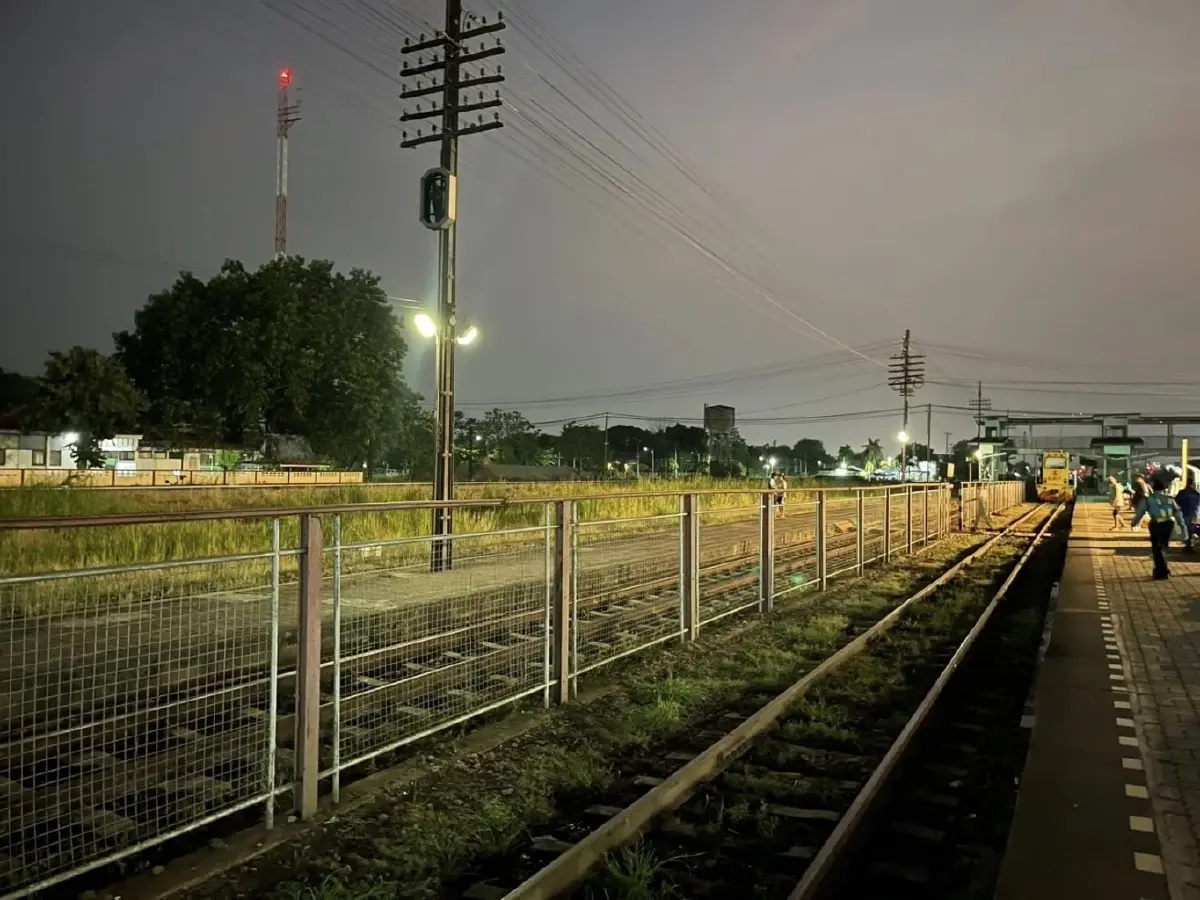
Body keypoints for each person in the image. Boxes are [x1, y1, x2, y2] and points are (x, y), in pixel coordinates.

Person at [1131, 478, 1188, 580]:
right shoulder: (1170, 499)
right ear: (1163, 489)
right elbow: (1179, 514)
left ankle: (1161, 572)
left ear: (1154, 488)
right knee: (1164, 547)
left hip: (1156, 524)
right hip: (1169, 524)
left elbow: (1140, 512)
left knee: (1157, 548)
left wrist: (1134, 523)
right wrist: (1184, 529)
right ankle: (1163, 569)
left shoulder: (1148, 499)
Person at [1176, 477, 1199, 553]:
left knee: (1187, 530)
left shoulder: (1182, 493)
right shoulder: (1196, 493)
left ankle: (1188, 546)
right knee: (1191, 531)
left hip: (1184, 513)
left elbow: (1176, 502)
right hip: (1193, 514)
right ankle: (1189, 546)